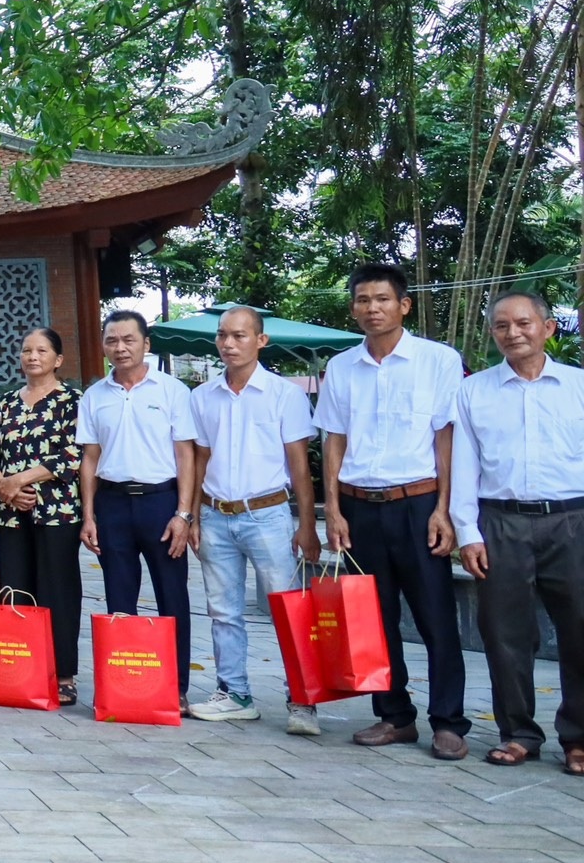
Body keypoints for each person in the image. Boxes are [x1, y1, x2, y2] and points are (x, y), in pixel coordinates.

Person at [318, 262, 469, 759]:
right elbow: (334, 440)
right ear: (354, 308)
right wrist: (333, 511)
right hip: (361, 509)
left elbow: (446, 439)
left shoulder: (438, 360)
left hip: (419, 503)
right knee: (373, 620)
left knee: (436, 618)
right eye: (363, 300)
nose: (372, 309)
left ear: (403, 305)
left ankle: (449, 722)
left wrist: (445, 510)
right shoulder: (341, 366)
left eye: (382, 299)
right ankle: (394, 716)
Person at [450, 290, 584, 773]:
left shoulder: (578, 386)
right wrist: (468, 531)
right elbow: (462, 467)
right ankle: (519, 733)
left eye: (524, 323)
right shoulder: (473, 391)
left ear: (548, 328)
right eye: (502, 326)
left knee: (579, 630)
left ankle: (579, 738)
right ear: (493, 334)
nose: (513, 333)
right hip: (500, 522)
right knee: (505, 634)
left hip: (573, 520)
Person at [187, 306, 321, 730]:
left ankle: (302, 698)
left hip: (268, 515)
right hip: (216, 516)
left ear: (261, 341)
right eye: (223, 335)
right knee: (223, 611)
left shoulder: (285, 394)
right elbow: (200, 459)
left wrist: (306, 524)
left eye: (240, 336)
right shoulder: (202, 397)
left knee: (288, 608)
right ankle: (234, 692)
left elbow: (299, 465)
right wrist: (191, 516)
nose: (229, 343)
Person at [78, 310, 200, 707]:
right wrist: (89, 516)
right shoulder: (94, 396)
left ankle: (175, 688)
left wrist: (183, 513)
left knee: (172, 596)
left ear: (146, 344)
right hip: (113, 504)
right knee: (119, 597)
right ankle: (125, 685)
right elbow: (90, 460)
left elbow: (186, 455)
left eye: (129, 339)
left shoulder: (172, 391)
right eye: (112, 340)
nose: (120, 347)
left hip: (161, 503)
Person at [0, 328, 84, 705]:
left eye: (42, 350)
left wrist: (20, 479)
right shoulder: (7, 403)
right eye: (26, 350)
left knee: (58, 592)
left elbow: (74, 454)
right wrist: (3, 484)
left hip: (56, 513)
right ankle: (20, 670)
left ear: (58, 360)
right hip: (11, 516)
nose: (32, 356)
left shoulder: (73, 401)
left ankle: (64, 674)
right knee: (14, 591)